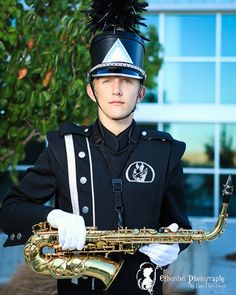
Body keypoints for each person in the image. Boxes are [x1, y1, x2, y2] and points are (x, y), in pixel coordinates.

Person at [0, 0, 191, 294]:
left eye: (126, 80)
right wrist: (53, 216)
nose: (116, 89)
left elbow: (181, 225)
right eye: (105, 80)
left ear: (140, 91)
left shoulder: (164, 152)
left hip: (143, 287)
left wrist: (175, 244)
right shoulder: (62, 147)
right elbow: (10, 210)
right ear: (91, 90)